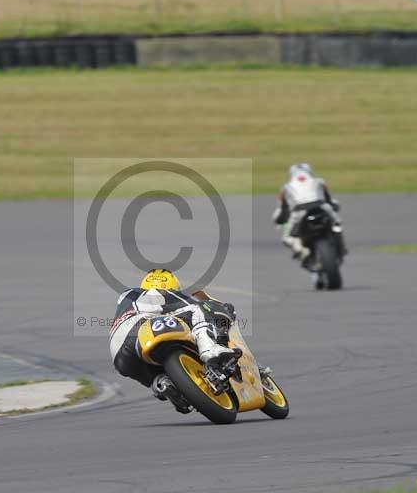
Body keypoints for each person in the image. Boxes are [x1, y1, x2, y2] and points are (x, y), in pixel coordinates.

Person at [109, 269, 241, 406]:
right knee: (199, 309)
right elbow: (192, 304)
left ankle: (164, 386)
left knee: (158, 377)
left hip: (119, 356)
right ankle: (210, 349)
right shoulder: (160, 294)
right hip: (140, 328)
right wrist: (221, 309)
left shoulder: (129, 296)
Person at [272, 163, 345, 261]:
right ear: (310, 172)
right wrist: (334, 206)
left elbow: (283, 209)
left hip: (298, 212)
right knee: (337, 224)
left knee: (286, 238)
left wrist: (279, 220)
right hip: (322, 207)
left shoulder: (286, 188)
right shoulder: (320, 181)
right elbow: (329, 200)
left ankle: (301, 250)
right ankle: (341, 246)